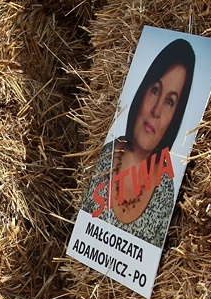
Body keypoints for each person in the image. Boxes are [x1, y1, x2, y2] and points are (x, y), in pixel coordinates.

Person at [82, 38, 196, 246]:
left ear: (176, 116)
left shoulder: (165, 192)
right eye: (155, 90)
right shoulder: (105, 155)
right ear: (143, 90)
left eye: (170, 102)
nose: (156, 110)